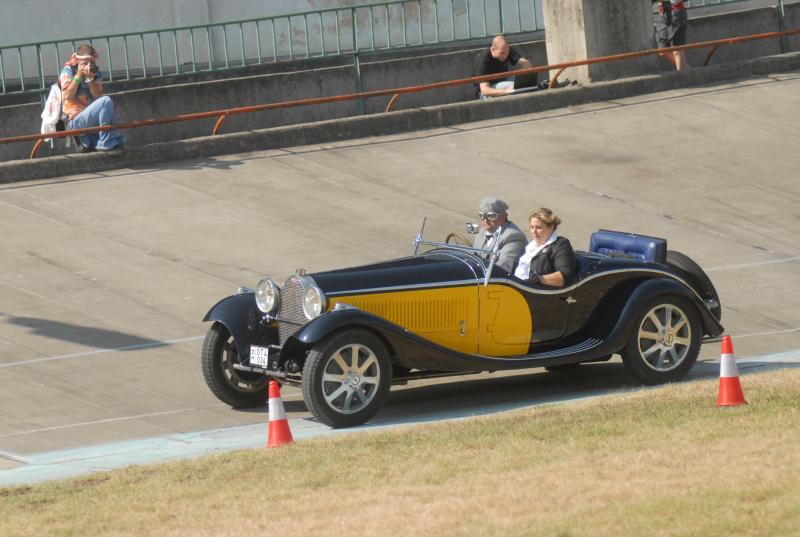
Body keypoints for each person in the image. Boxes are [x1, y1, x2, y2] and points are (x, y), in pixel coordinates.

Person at [59, 44, 124, 153]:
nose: (88, 66)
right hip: (74, 120)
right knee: (106, 101)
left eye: (91, 63)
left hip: (89, 117)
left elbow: (97, 96)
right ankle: (105, 142)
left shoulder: (96, 73)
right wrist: (78, 76)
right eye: (85, 63)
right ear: (77, 61)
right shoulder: (68, 71)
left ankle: (113, 142)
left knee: (109, 109)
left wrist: (90, 79)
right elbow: (67, 96)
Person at [513, 208, 576, 288]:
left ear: (551, 227)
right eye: (532, 227)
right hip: (515, 287)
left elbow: (566, 276)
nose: (534, 231)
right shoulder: (530, 246)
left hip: (534, 291)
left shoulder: (560, 244)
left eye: (538, 228)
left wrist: (538, 279)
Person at [473, 196, 527, 273]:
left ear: (504, 216)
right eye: (481, 215)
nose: (485, 220)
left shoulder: (513, 236)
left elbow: (503, 267)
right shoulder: (482, 232)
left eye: (491, 216)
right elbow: (473, 257)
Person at [473, 34, 533, 99]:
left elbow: (527, 64)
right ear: (493, 49)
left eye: (507, 52)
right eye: (502, 53)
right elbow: (485, 90)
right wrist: (508, 90)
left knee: (525, 82)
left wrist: (521, 79)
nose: (505, 56)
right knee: (515, 85)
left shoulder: (505, 50)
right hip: (485, 93)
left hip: (502, 82)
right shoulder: (482, 60)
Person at [652, 0, 689, 71]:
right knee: (662, 50)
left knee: (676, 48)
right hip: (663, 12)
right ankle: (688, 71)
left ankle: (682, 75)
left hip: (676, 10)